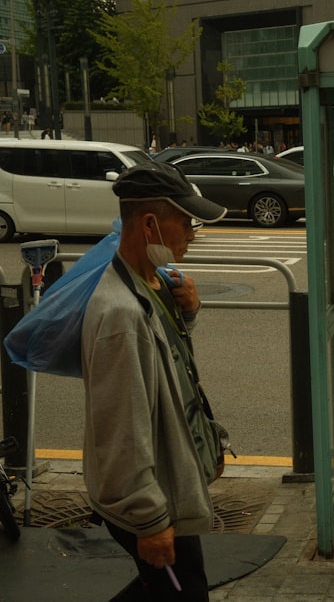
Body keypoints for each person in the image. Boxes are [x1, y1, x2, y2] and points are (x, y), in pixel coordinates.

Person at [81, 161, 228, 600]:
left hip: (165, 487)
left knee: (166, 591)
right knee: (184, 592)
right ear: (149, 224)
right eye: (185, 222)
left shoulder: (152, 284)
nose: (192, 234)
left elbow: (166, 365)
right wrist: (148, 520)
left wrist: (188, 312)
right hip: (150, 498)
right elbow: (120, 430)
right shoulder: (120, 314)